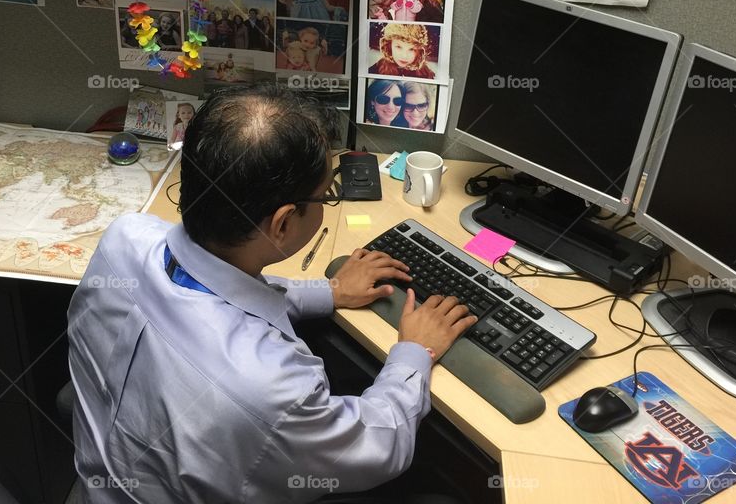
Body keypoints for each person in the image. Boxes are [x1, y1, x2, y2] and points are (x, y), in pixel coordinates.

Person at [68, 83, 476, 504]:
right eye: (324, 196)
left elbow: (213, 289)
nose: (325, 202)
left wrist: (328, 290)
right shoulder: (270, 388)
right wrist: (413, 351)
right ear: (282, 223)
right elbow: (379, 445)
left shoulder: (125, 238)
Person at [369, 22, 435, 79]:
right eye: (398, 47)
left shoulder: (426, 75)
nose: (404, 56)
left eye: (411, 49)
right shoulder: (376, 70)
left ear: (419, 51)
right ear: (389, 45)